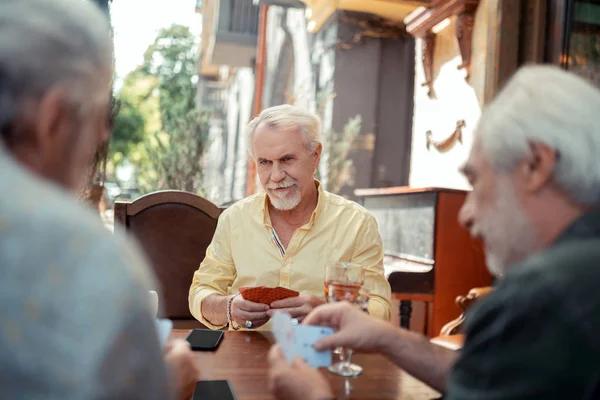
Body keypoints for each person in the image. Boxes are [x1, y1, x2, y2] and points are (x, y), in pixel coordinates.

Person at [268, 65, 600, 400]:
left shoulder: (541, 296)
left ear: (535, 165)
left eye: (476, 182)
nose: (466, 215)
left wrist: (313, 397)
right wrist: (387, 337)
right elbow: (493, 377)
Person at [0, 1, 199, 398]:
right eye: (100, 116)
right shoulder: (82, 253)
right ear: (53, 117)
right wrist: (167, 384)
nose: (103, 137)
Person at [189, 105, 392, 330]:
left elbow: (380, 309)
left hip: (323, 356)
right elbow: (200, 293)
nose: (276, 176)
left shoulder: (357, 224)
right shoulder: (234, 219)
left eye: (287, 159)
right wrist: (229, 307)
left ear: (315, 157)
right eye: (264, 162)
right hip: (245, 356)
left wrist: (325, 312)